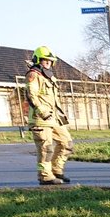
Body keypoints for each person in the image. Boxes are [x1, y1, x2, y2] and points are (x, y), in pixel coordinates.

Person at [25, 46, 72, 186]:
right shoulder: (33, 75)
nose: (48, 63)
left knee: (67, 143)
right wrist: (42, 112)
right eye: (45, 60)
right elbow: (31, 95)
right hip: (41, 119)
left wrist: (60, 114)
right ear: (37, 60)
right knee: (46, 148)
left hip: (54, 118)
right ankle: (45, 176)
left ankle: (56, 170)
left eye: (50, 61)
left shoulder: (50, 77)